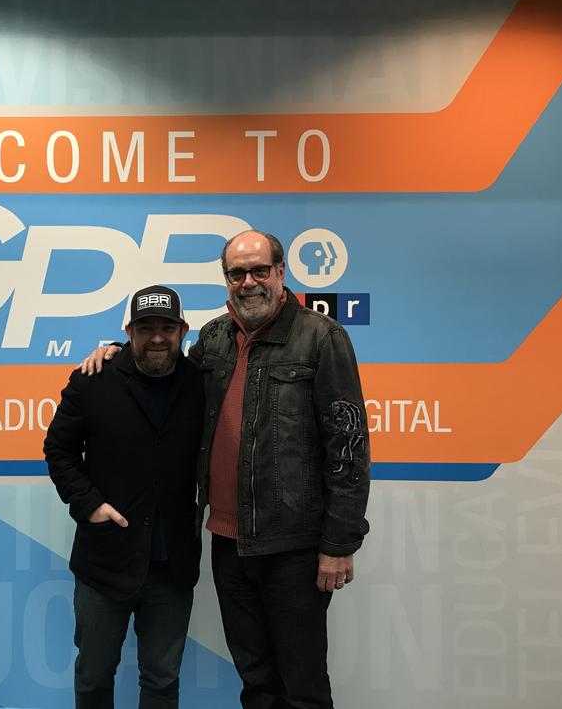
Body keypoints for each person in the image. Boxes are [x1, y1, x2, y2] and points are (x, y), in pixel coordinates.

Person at [81, 231, 370, 709]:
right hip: (228, 544)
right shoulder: (213, 338)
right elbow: (165, 370)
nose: (248, 282)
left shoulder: (322, 338)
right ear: (226, 280)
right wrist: (116, 352)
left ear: (281, 273)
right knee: (255, 682)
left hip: (294, 547)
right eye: (237, 273)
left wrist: (339, 544)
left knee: (302, 687)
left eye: (259, 270)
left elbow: (350, 447)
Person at [44, 284, 204, 709]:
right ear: (128, 331)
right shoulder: (93, 379)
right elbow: (58, 449)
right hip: (104, 563)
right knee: (94, 678)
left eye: (167, 327)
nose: (156, 337)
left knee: (162, 682)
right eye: (145, 327)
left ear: (183, 330)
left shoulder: (202, 384)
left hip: (172, 567)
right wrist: (89, 504)